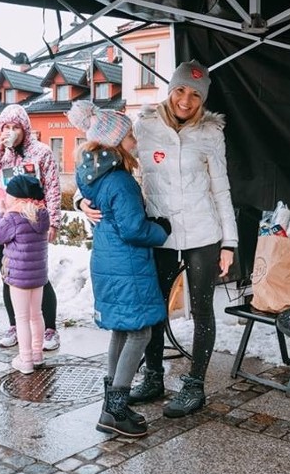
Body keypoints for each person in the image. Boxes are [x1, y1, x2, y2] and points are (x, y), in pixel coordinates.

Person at [80, 60, 238, 418]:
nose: (186, 100)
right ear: (170, 90)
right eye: (180, 90)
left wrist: (230, 243)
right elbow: (104, 161)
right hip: (158, 232)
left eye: (195, 94)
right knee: (152, 309)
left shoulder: (212, 134)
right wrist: (81, 200)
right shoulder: (144, 126)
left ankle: (195, 385)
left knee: (201, 311)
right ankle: (153, 377)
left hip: (202, 233)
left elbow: (222, 189)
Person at [70, 100, 169, 437]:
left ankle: (109, 406)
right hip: (127, 266)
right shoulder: (120, 182)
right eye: (130, 138)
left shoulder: (90, 175)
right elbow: (134, 229)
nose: (134, 143)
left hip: (107, 263)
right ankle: (116, 409)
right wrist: (162, 230)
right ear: (116, 142)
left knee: (121, 330)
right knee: (141, 331)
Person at [0, 104, 62, 351]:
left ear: (25, 128)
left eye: (15, 127)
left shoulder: (41, 152)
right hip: (5, 222)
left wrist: (54, 221)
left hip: (33, 222)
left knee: (37, 276)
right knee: (8, 276)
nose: (11, 131)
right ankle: (15, 324)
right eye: (6, 127)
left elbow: (53, 187)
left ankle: (49, 329)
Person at [0, 174, 50, 375]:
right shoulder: (42, 215)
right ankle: (37, 354)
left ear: (16, 198)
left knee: (22, 318)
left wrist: (0, 214)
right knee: (37, 315)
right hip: (38, 275)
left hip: (18, 277)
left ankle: (25, 359)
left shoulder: (12, 217)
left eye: (8, 195)